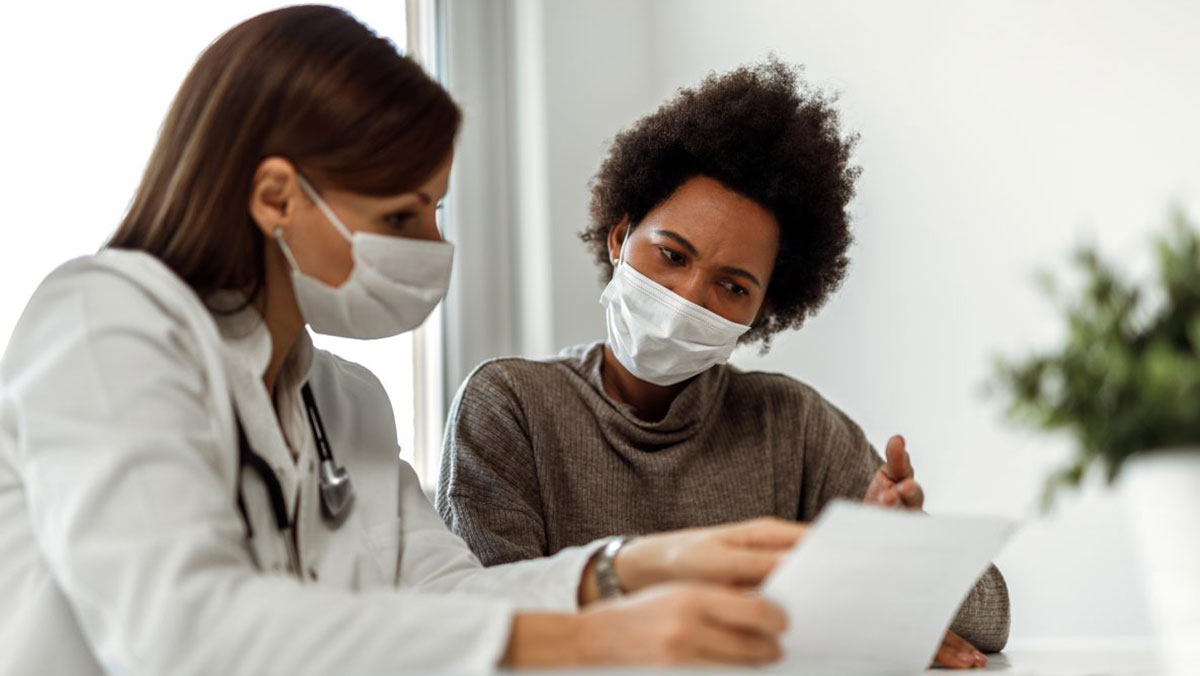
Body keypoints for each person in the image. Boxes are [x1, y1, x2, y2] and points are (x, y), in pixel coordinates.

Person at [0, 8, 810, 674]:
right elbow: (182, 631)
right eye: (399, 217)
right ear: (277, 196)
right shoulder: (105, 322)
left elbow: (444, 598)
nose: (431, 248)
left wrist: (635, 570)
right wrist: (594, 639)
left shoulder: (343, 402)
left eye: (435, 212)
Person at [438, 59, 1010, 670]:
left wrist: (892, 557)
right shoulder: (510, 406)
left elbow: (991, 618)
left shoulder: (791, 425)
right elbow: (492, 630)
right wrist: (812, 611)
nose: (688, 297)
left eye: (732, 287)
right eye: (671, 254)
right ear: (618, 236)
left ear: (763, 310)